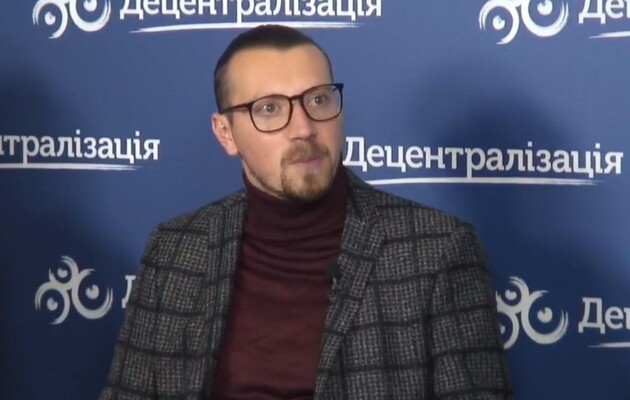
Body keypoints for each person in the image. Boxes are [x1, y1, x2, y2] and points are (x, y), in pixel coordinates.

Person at [100, 25, 512, 399]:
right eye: (269, 109)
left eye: (318, 99)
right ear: (226, 133)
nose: (304, 128)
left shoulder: (438, 250)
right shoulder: (174, 251)